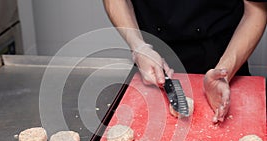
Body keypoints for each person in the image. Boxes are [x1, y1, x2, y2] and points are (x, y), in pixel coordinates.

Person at [103, 0, 267, 123]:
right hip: (151, 63)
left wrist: (225, 71)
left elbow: (256, 10)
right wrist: (138, 46)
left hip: (225, 58)